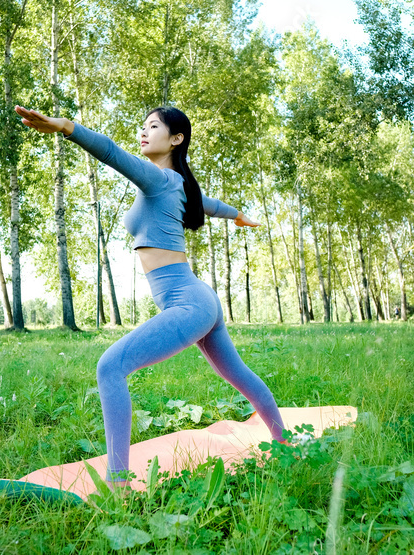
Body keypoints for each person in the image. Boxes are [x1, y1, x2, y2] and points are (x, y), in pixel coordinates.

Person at [15, 104, 288, 488]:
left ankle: (118, 483)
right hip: (198, 298)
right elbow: (207, 205)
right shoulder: (179, 184)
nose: (143, 133)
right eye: (142, 126)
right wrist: (237, 214)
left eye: (153, 126)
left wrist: (65, 127)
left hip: (188, 301)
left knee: (110, 368)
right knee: (239, 375)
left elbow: (111, 152)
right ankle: (287, 445)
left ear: (176, 138)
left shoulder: (160, 179)